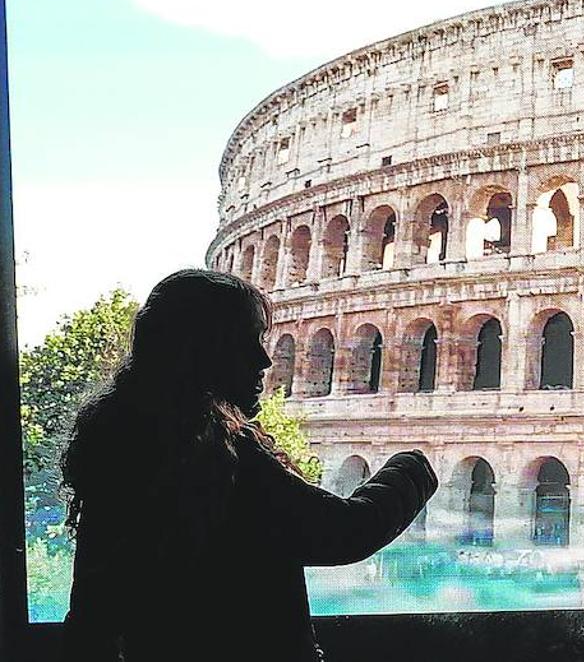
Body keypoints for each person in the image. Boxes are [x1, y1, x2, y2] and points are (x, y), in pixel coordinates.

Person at [58, 269, 438, 662]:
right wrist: (414, 464)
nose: (264, 359)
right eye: (246, 342)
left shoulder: (122, 442)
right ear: (201, 350)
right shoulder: (217, 455)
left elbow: (91, 608)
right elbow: (346, 530)